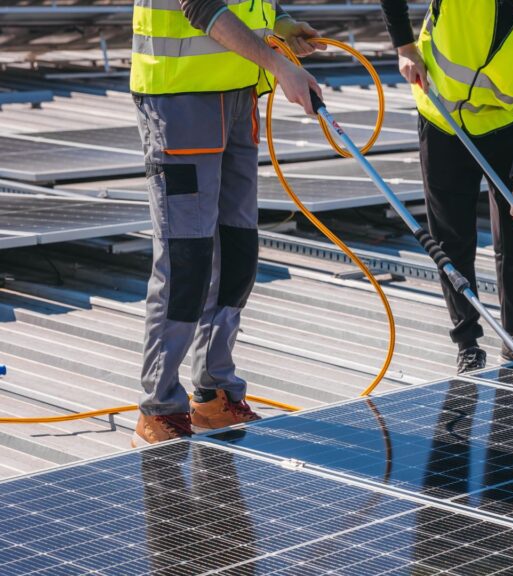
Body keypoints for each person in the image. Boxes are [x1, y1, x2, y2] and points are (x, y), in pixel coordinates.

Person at [130, 0, 323, 446]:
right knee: (187, 259)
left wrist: (281, 23)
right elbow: (199, 7)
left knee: (237, 252)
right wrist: (279, 65)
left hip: (237, 96)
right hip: (179, 100)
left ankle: (213, 392)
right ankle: (160, 406)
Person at [380, 0, 513, 373]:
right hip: (442, 116)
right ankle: (467, 340)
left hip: (504, 121)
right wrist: (404, 46)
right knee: (452, 236)